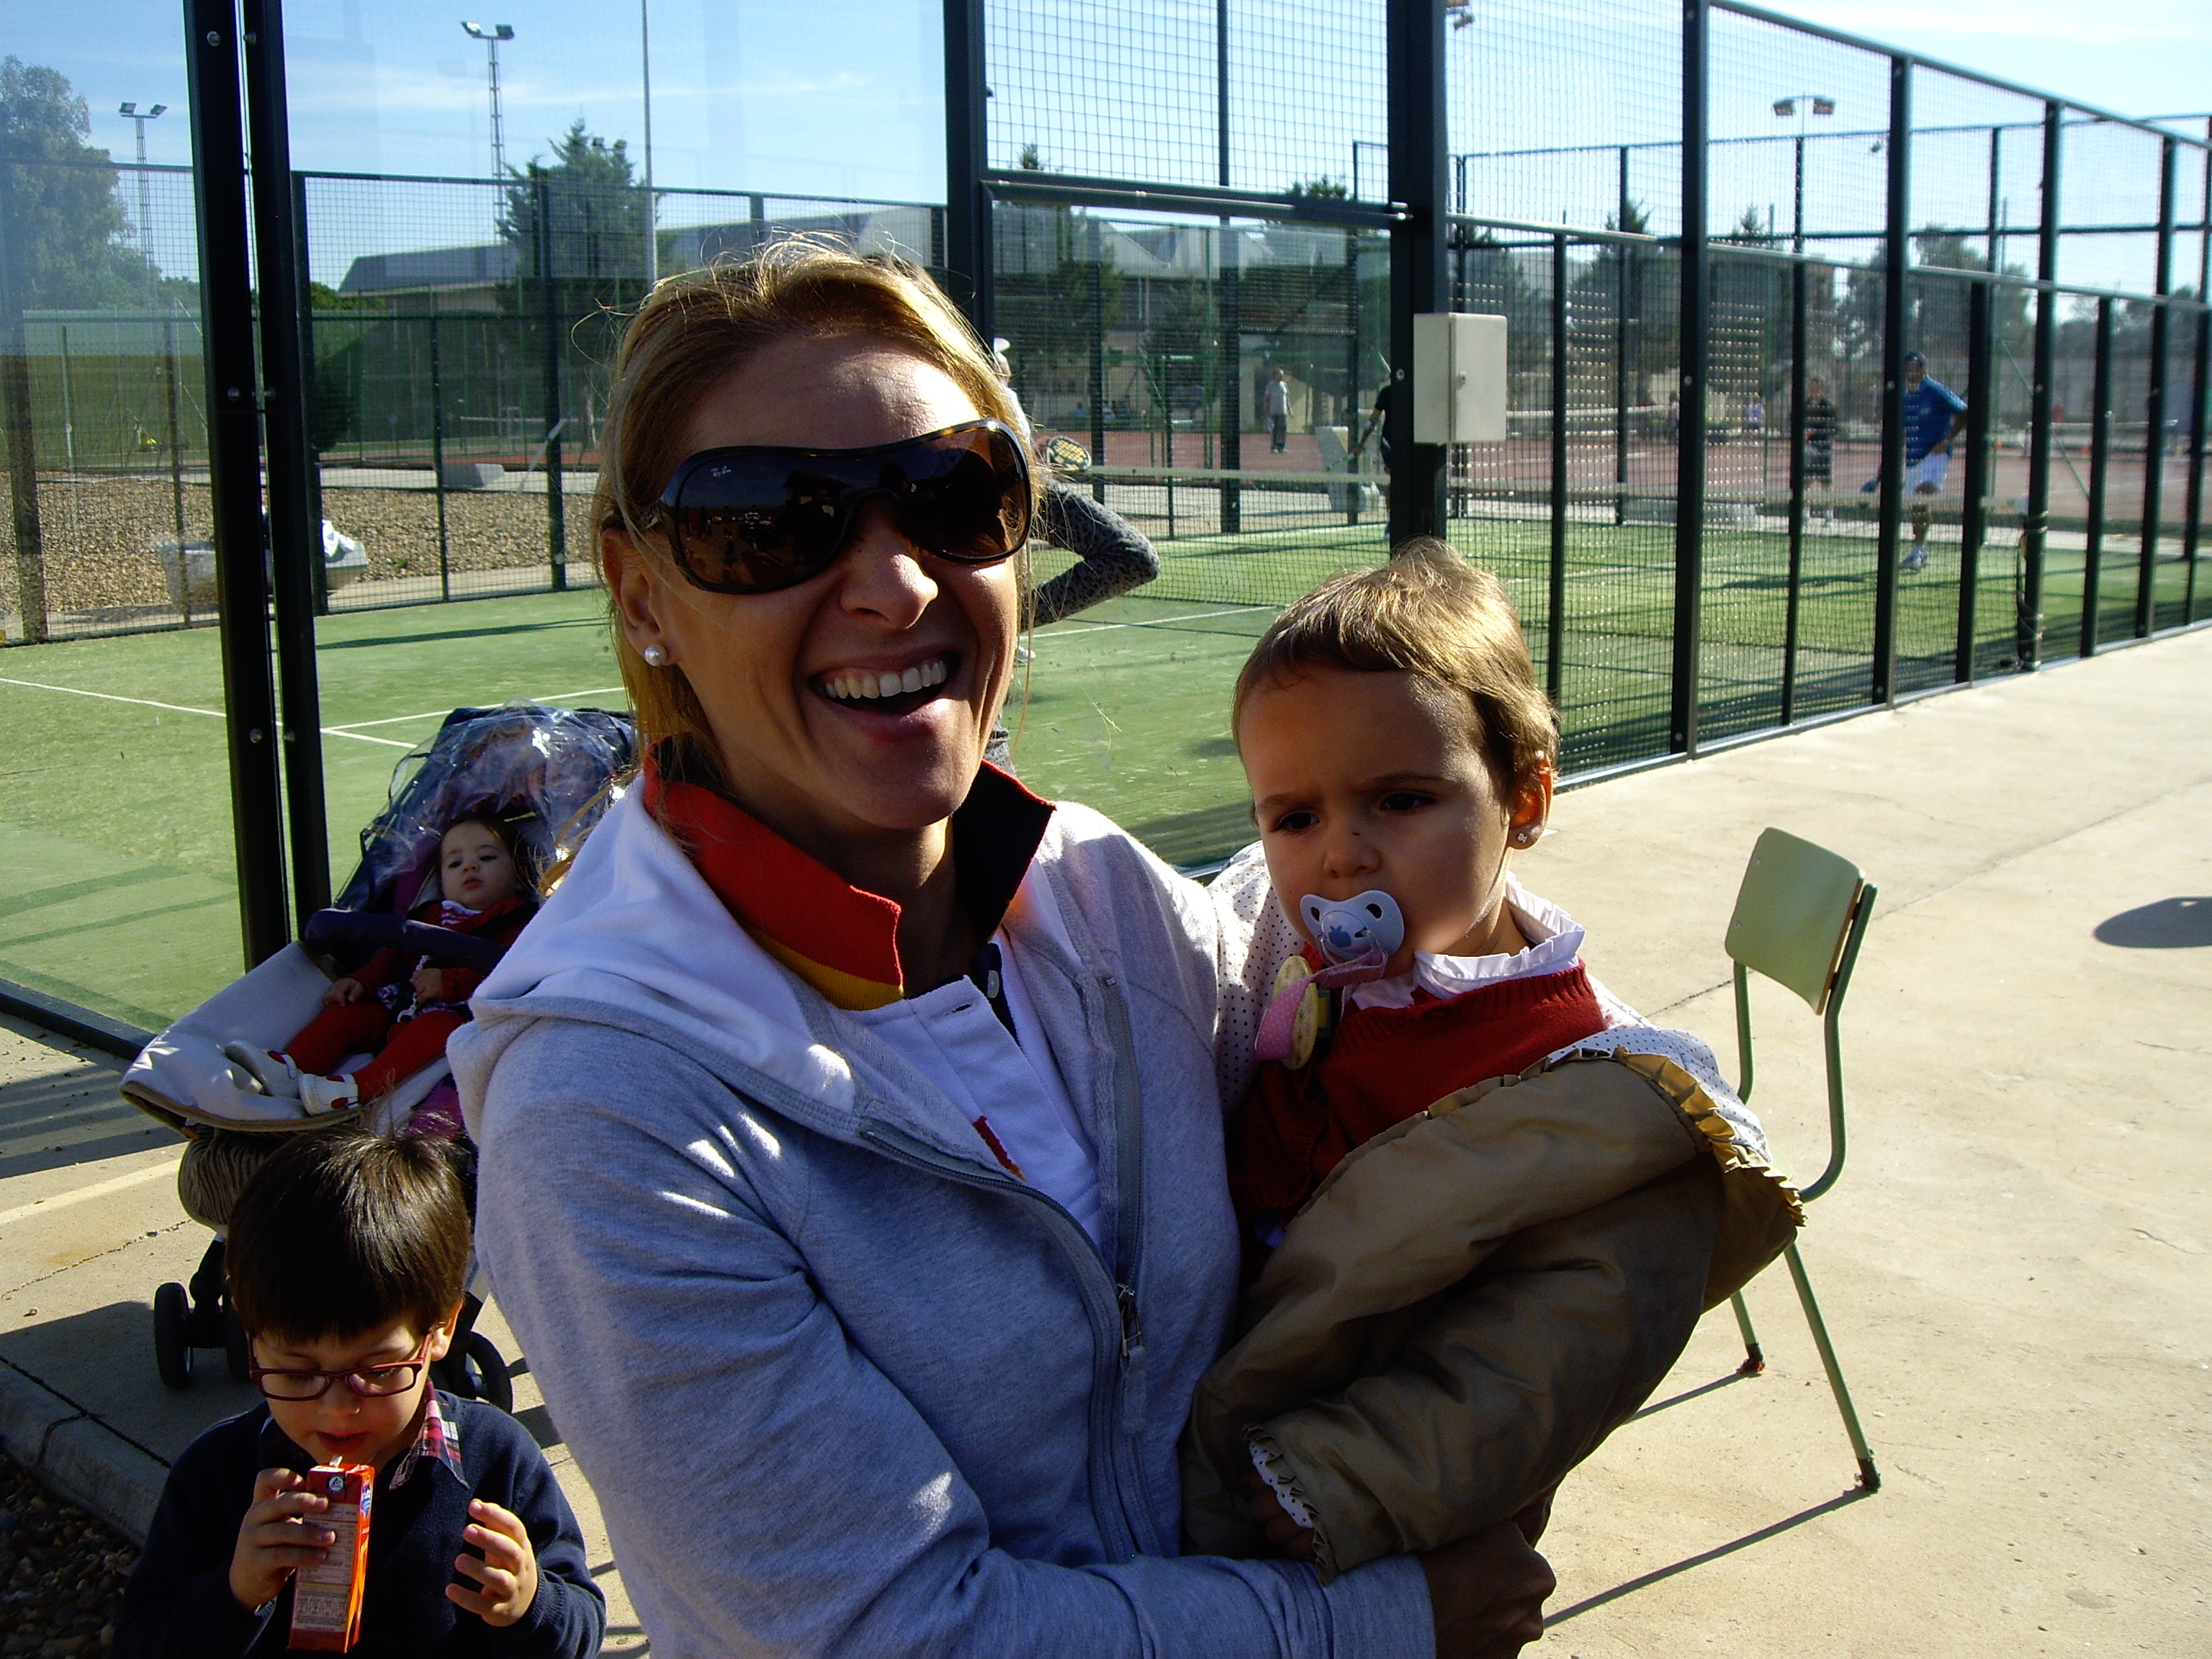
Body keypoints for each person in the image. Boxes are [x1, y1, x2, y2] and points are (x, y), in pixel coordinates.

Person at [449, 242, 1554, 1657]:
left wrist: (1577, 1031)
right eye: (767, 519)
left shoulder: (1089, 885)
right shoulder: (606, 1111)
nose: (894, 582)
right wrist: (1385, 1621)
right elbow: (890, 1632)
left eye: (953, 491)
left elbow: (1325, 998)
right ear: (641, 591)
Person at [1181, 544, 1797, 1578]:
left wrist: (1353, 1475)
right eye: (1296, 817)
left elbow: (1548, 1357)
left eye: (1399, 800)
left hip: (1342, 1498)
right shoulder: (1300, 967)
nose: (1341, 855)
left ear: (1524, 798)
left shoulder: (1583, 1090)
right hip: (1224, 1386)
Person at [115, 1132, 604, 1658]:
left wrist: (530, 1605)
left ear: (441, 1329)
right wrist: (234, 1595)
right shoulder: (218, 1474)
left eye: (377, 1371)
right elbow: (140, 1641)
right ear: (252, 1340)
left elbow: (581, 1623)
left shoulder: (494, 1460)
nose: (337, 1408)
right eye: (297, 1374)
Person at [224, 817, 536, 1118]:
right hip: (398, 1006)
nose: (470, 867)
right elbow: (392, 958)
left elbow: (513, 972)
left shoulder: (520, 919)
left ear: (520, 876)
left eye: (486, 857)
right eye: (455, 864)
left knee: (438, 1027)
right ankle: (291, 1067)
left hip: (461, 1016)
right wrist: (362, 980)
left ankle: (356, 1089)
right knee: (349, 1013)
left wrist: (450, 982)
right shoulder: (429, 914)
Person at [1899, 351, 1966, 572]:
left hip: (1935, 455)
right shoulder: (1904, 396)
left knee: (1922, 497)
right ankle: (1920, 550)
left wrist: (1947, 440)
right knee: (1917, 506)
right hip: (1913, 457)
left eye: (1916, 366)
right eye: (1909, 366)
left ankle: (1918, 552)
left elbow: (1964, 412)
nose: (1912, 370)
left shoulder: (1936, 391)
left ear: (1924, 368)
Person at [1803, 374, 1838, 522]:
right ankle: (1805, 512)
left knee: (1826, 483)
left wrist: (1815, 432)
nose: (1814, 390)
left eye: (1817, 388)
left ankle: (1829, 513)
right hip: (1808, 448)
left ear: (1822, 389)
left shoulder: (1828, 406)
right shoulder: (1805, 405)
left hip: (1823, 448)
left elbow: (1833, 428)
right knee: (1806, 481)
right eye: (1812, 387)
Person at [1264, 368, 1292, 454]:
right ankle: (1274, 447)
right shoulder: (1270, 385)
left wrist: (1289, 410)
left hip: (1283, 411)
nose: (1282, 376)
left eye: (1282, 375)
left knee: (1283, 429)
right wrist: (1266, 410)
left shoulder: (1284, 385)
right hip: (1274, 411)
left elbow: (1287, 398)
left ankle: (1282, 447)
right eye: (1280, 375)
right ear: (1275, 375)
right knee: (1275, 429)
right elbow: (1266, 399)